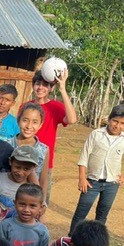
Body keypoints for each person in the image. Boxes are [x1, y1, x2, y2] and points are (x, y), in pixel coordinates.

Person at [70, 104, 124, 235]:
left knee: (102, 214)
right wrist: (82, 178)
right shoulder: (96, 134)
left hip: (112, 184)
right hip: (91, 182)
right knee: (81, 212)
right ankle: (71, 239)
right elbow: (84, 156)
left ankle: (95, 243)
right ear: (109, 119)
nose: (117, 126)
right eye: (115, 121)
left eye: (122, 123)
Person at [28, 69, 77, 202]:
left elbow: (72, 120)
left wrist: (63, 89)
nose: (40, 88)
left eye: (45, 85)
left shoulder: (55, 106)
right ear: (33, 86)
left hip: (44, 162)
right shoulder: (25, 106)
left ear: (51, 88)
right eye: (38, 84)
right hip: (25, 159)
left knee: (41, 200)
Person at [11, 103, 49, 199]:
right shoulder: (7, 145)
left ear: (41, 125)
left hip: (30, 200)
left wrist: (42, 202)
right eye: (25, 120)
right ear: (18, 121)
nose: (29, 126)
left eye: (35, 122)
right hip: (6, 196)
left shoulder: (43, 150)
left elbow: (43, 179)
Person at [0, 146, 41, 227]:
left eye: (26, 169)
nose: (20, 172)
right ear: (10, 162)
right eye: (17, 167)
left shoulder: (31, 189)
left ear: (33, 168)